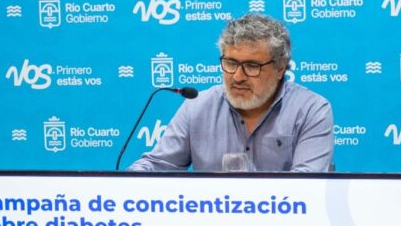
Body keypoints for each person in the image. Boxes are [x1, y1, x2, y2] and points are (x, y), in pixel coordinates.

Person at [129, 13, 334, 172]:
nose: (237, 76)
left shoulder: (311, 110)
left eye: (252, 66)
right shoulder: (197, 106)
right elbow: (157, 165)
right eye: (231, 63)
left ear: (280, 68)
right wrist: (128, 182)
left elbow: (307, 185)